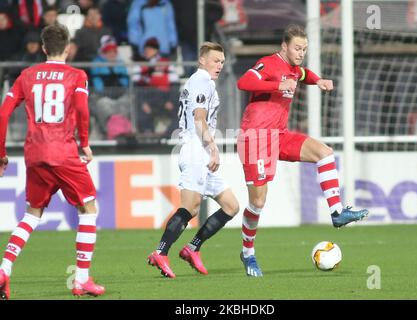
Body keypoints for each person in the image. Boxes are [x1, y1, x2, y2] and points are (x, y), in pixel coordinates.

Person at [236, 24, 369, 277]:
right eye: (297, 48)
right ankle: (248, 253)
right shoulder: (268, 62)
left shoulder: (295, 70)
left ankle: (337, 212)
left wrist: (319, 80)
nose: (301, 53)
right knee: (258, 202)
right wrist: (277, 86)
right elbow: (244, 82)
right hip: (254, 138)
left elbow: (303, 74)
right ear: (284, 46)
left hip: (279, 135)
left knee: (324, 152)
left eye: (304, 49)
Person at [0, 24, 105, 299]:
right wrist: (84, 143)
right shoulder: (76, 75)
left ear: (44, 48)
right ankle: (81, 279)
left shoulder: (26, 75)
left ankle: (4, 269)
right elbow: (82, 109)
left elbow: (2, 114)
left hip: (35, 154)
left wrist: (0, 154)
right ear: (68, 49)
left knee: (32, 214)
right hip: (64, 152)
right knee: (89, 208)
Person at [147, 42, 239, 278]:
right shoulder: (201, 81)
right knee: (190, 208)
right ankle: (161, 252)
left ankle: (192, 247)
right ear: (202, 60)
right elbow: (199, 120)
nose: (219, 65)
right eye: (215, 60)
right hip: (196, 150)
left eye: (222, 61)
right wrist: (213, 149)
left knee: (230, 206)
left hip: (200, 151)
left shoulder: (203, 82)